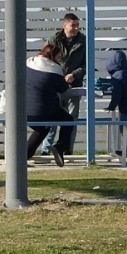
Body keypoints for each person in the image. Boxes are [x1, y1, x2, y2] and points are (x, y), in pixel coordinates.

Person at [41, 13, 88, 153]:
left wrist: (74, 75)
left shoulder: (84, 41)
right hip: (55, 85)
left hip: (74, 85)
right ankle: (46, 150)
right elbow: (46, 59)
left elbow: (87, 64)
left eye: (78, 25)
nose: (76, 28)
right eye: (73, 25)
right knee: (52, 117)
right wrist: (57, 75)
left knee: (72, 118)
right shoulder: (54, 40)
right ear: (64, 26)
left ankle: (66, 149)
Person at [24, 43, 75, 167]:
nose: (60, 60)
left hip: (24, 109)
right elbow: (63, 89)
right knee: (68, 121)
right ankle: (60, 146)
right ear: (52, 56)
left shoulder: (29, 62)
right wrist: (67, 82)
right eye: (58, 57)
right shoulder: (54, 69)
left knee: (42, 129)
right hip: (44, 109)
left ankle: (24, 156)